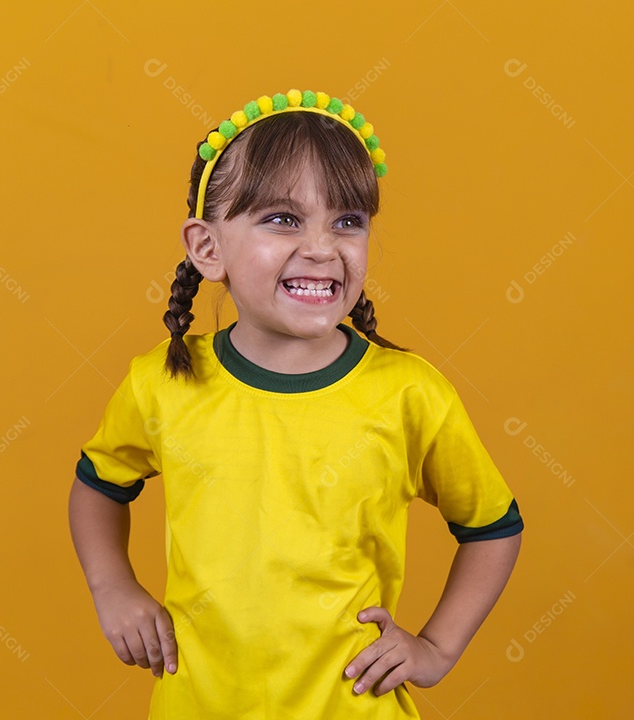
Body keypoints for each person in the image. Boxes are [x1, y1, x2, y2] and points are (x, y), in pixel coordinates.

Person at [67, 88, 524, 719]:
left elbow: (492, 527)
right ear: (207, 248)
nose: (321, 246)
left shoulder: (409, 393)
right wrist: (112, 587)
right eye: (282, 219)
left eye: (347, 221)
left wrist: (437, 648)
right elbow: (99, 485)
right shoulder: (162, 383)